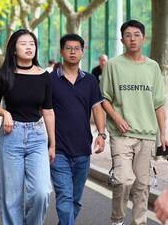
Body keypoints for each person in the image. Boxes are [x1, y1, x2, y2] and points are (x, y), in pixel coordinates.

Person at [101, 20, 167, 225]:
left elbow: (159, 104)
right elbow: (104, 98)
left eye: (136, 34)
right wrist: (118, 118)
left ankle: (139, 222)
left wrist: (163, 133)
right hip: (121, 134)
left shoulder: (153, 67)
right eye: (128, 35)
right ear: (122, 40)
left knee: (142, 185)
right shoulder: (113, 65)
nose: (132, 38)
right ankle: (118, 219)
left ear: (143, 38)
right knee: (123, 179)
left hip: (147, 134)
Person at [0, 29, 55, 225]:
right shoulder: (4, 74)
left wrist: (52, 143)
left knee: (42, 192)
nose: (29, 47)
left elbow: (48, 111)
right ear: (14, 49)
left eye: (32, 44)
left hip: (37, 136)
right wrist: (5, 113)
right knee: (12, 197)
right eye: (23, 43)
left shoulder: (44, 75)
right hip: (11, 136)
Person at [49, 34, 107, 225]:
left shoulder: (90, 80)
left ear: (83, 51)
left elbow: (97, 108)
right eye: (68, 48)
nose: (73, 52)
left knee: (75, 200)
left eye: (77, 48)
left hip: (83, 149)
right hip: (58, 150)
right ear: (61, 51)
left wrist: (101, 134)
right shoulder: (50, 80)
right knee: (65, 197)